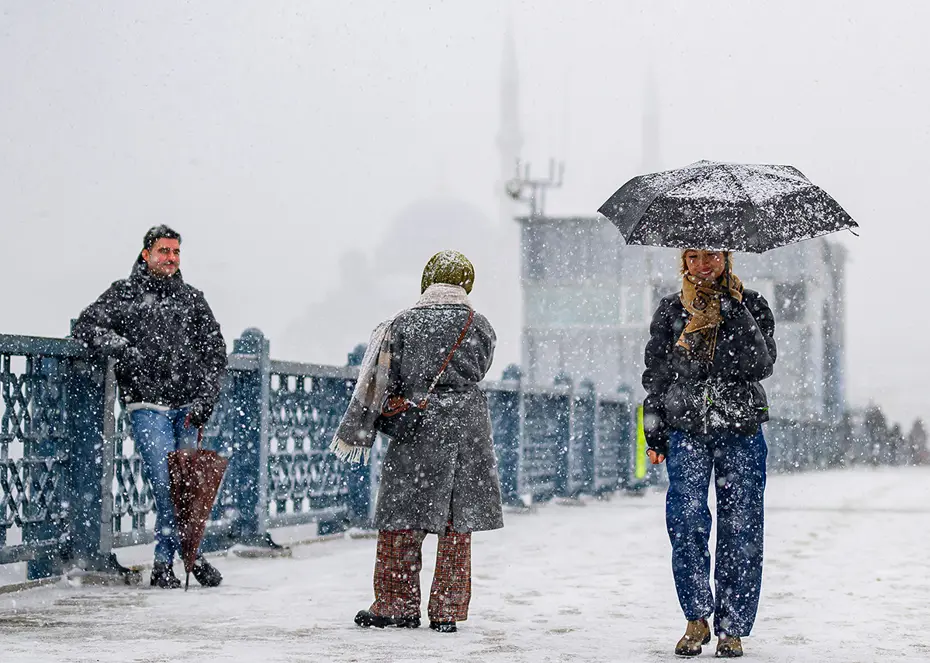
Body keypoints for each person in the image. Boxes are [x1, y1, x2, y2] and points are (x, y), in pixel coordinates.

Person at [331, 250, 503, 634]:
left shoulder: (403, 324)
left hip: (420, 424)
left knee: (402, 517)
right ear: (465, 282)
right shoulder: (480, 325)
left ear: (428, 280)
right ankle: (446, 611)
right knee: (457, 522)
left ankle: (396, 604)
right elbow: (484, 365)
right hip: (467, 427)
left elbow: (384, 378)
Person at [73, 225, 227, 589]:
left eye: (175, 252)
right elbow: (86, 326)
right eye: (163, 251)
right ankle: (177, 560)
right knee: (166, 486)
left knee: (188, 489)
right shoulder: (124, 294)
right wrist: (124, 349)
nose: (170, 258)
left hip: (188, 407)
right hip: (147, 405)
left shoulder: (192, 299)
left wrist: (207, 398)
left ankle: (176, 561)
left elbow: (215, 352)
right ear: (146, 254)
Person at [642, 249, 776, 658]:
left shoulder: (751, 304)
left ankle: (732, 627)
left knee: (742, 526)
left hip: (739, 427)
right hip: (687, 430)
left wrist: (734, 313)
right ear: (684, 262)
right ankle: (696, 618)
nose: (705, 265)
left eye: (714, 256)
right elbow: (656, 377)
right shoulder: (671, 309)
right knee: (686, 521)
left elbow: (761, 363)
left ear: (727, 258)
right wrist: (655, 433)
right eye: (695, 256)